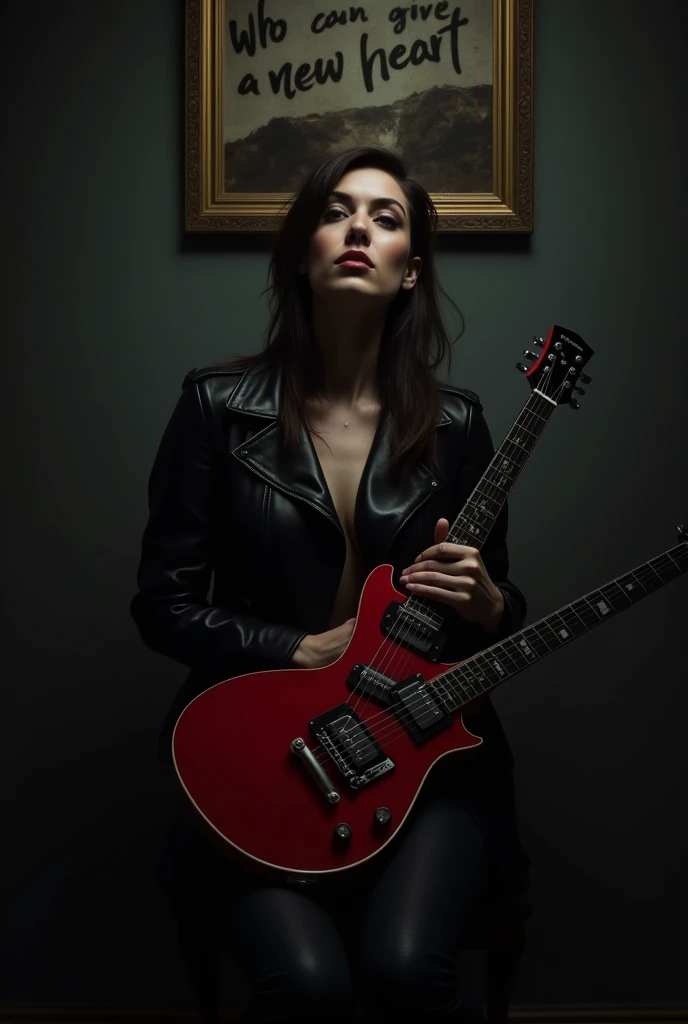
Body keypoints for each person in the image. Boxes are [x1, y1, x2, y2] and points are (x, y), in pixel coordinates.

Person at [130, 145, 531, 1023]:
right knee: (309, 987)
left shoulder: (458, 424)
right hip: (262, 762)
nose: (359, 229)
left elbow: (491, 614)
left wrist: (492, 606)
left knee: (404, 969)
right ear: (301, 250)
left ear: (411, 270)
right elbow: (161, 605)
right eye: (335, 212)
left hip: (425, 767)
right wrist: (297, 647)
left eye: (387, 219)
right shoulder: (214, 406)